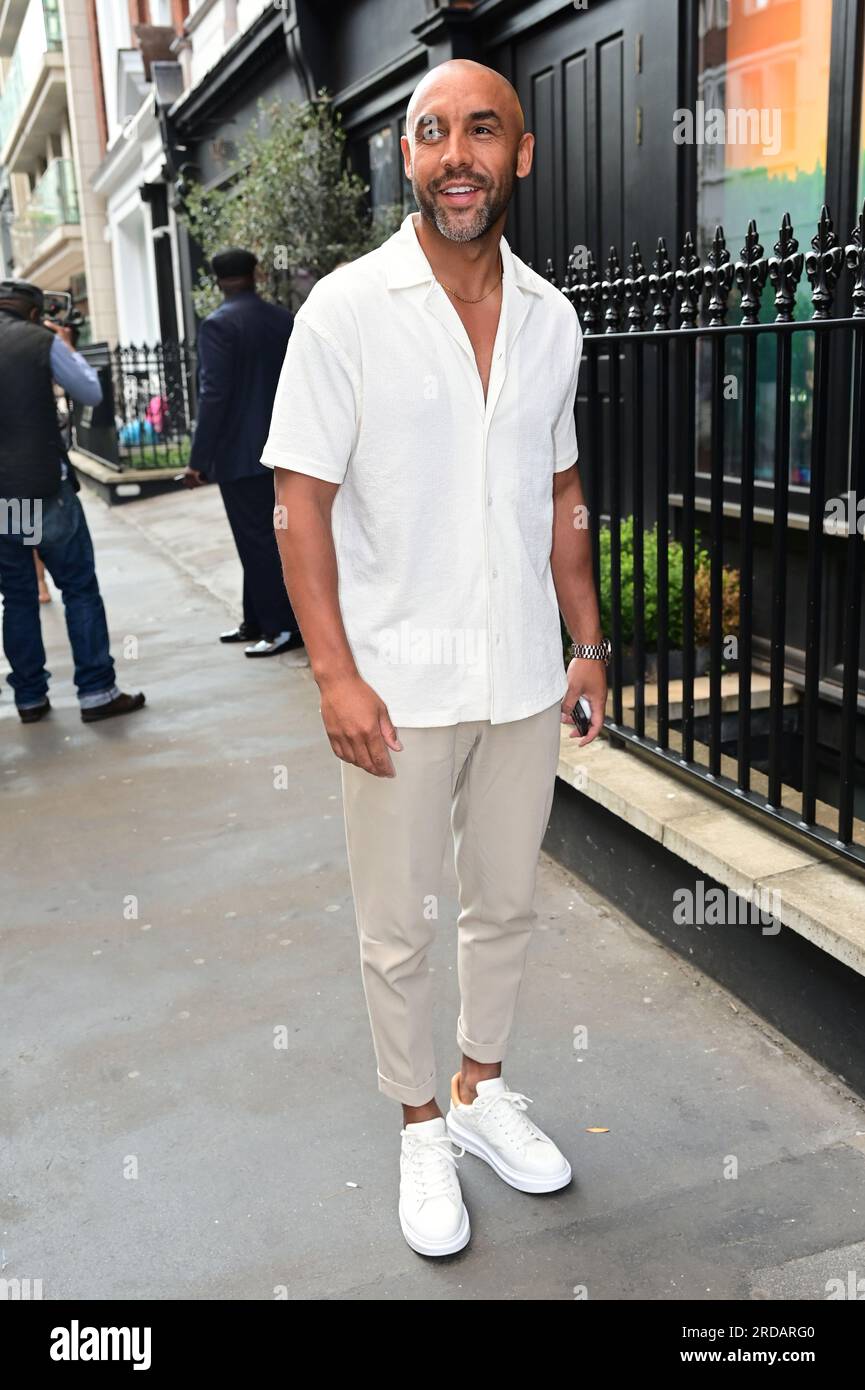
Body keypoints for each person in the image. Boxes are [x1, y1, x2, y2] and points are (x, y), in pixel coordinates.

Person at [261, 59, 610, 1257]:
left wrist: (587, 642)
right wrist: (331, 675)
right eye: (429, 133)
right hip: (396, 688)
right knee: (400, 923)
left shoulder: (553, 318)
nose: (453, 153)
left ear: (521, 154)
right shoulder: (347, 310)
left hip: (519, 676)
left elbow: (560, 489)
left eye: (480, 130)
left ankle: (477, 1093)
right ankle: (419, 1129)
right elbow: (297, 501)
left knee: (504, 906)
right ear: (405, 157)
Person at [0, 278, 145, 725]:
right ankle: (97, 692)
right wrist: (64, 345)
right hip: (44, 486)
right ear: (32, 311)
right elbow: (91, 393)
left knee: (19, 597)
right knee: (78, 587)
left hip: (5, 498)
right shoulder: (39, 340)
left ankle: (29, 699)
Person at [183, 248, 304, 658]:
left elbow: (213, 394)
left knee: (258, 542)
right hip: (286, 447)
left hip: (241, 454)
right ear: (256, 274)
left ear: (217, 281)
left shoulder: (218, 325)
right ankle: (256, 620)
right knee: (267, 539)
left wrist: (199, 459)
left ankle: (281, 628)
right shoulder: (283, 318)